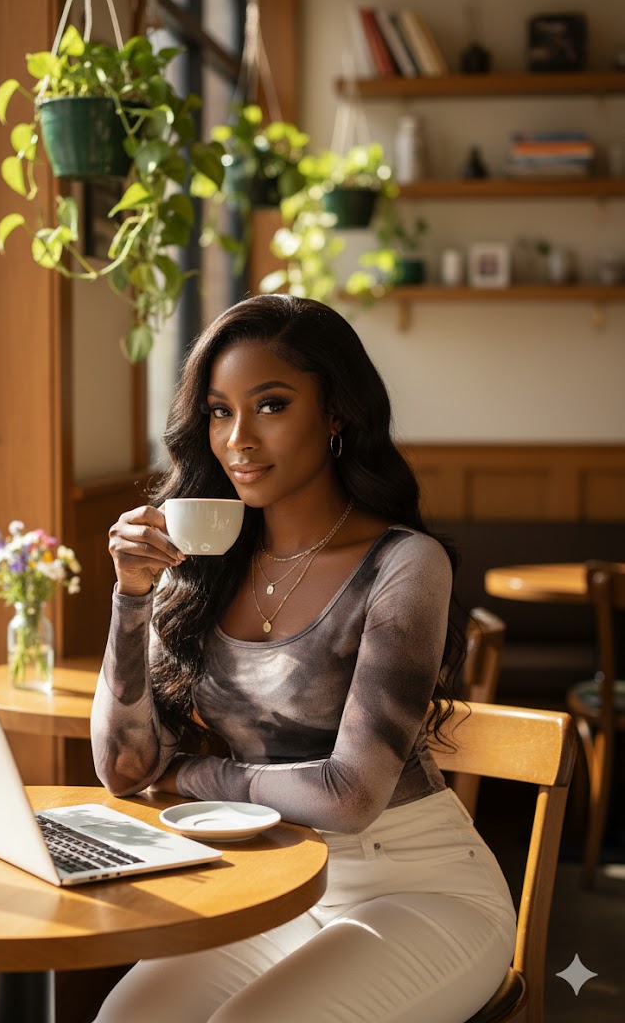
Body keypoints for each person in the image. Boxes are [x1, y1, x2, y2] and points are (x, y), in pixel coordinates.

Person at [91, 294, 516, 1023]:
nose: (237, 440)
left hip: (419, 886)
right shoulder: (202, 567)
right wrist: (131, 596)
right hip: (276, 884)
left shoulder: (403, 565)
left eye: (271, 405)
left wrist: (192, 774)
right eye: (219, 412)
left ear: (336, 413)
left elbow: (348, 796)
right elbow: (125, 771)